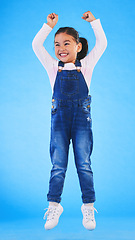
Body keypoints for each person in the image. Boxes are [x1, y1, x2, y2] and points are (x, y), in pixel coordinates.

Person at [32, 11, 107, 231]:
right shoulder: (52, 67)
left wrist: (94, 22)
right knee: (58, 166)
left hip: (82, 121)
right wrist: (48, 26)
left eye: (66, 43)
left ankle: (88, 207)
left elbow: (102, 43)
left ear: (78, 47)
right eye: (57, 44)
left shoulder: (88, 66)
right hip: (60, 123)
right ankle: (54, 205)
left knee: (84, 165)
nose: (61, 48)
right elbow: (37, 46)